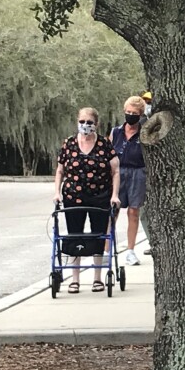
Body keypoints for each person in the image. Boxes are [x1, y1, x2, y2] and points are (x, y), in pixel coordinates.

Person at [53, 107, 121, 294]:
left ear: (96, 124)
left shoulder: (104, 145)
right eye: (82, 121)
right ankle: (74, 280)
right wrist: (57, 192)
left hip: (99, 196)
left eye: (89, 122)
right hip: (73, 196)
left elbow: (115, 171)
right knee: (75, 235)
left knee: (98, 235)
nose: (85, 125)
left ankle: (97, 278)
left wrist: (115, 195)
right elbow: (60, 170)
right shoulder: (69, 144)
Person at [109, 96, 147, 266]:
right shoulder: (116, 131)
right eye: (128, 112)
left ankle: (130, 250)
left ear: (140, 115)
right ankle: (106, 249)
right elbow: (108, 154)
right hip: (118, 172)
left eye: (135, 113)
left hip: (138, 172)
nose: (131, 115)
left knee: (133, 212)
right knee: (113, 211)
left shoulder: (144, 133)